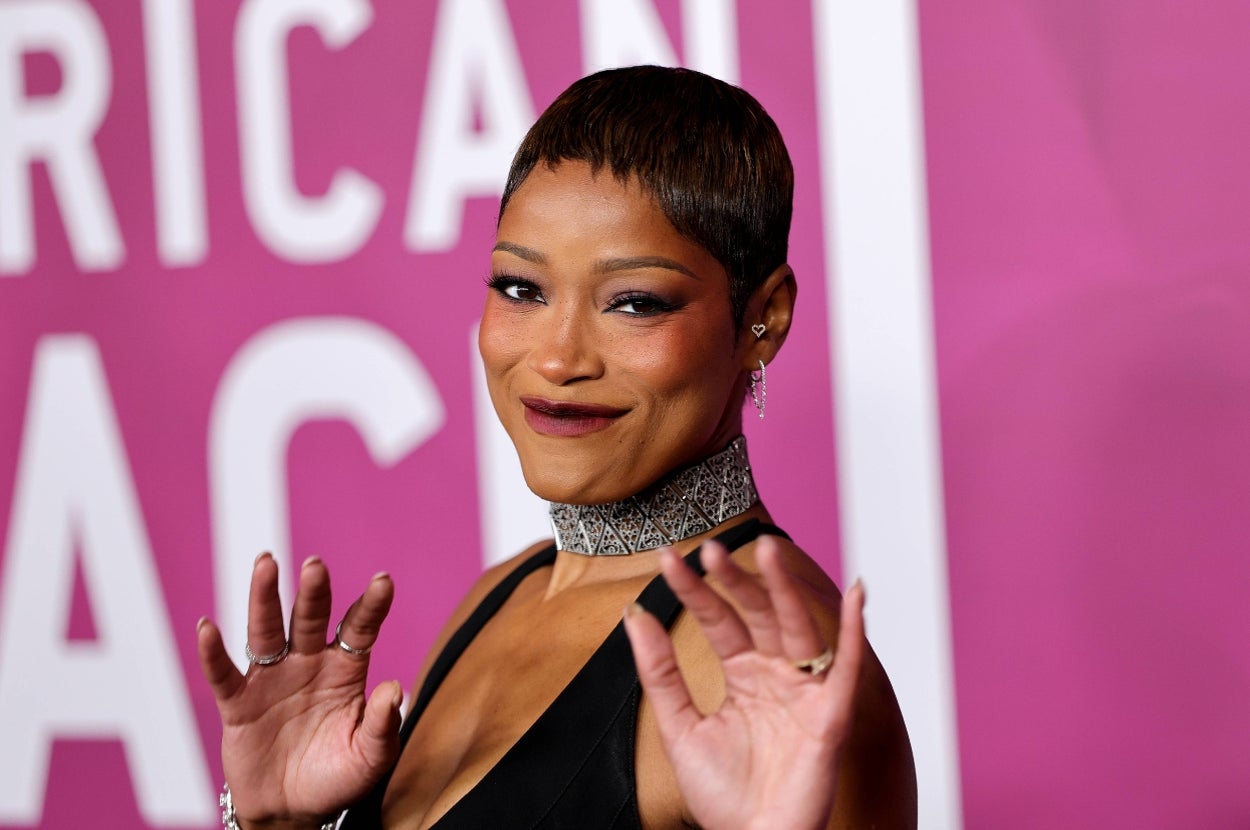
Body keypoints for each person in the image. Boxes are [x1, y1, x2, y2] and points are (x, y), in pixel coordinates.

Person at [197, 65, 917, 830]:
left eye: (634, 302)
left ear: (763, 317)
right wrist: (274, 825)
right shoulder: (499, 595)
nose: (556, 358)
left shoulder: (778, 668)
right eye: (522, 289)